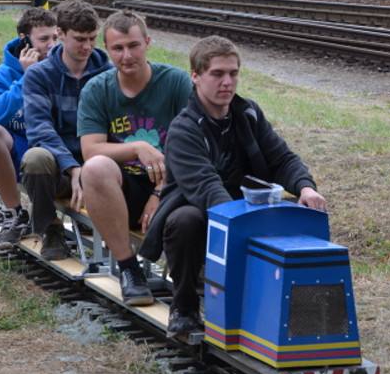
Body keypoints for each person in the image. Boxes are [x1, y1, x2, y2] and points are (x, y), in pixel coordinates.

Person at [140, 36, 327, 336]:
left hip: (245, 206)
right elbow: (207, 188)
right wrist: (245, 220)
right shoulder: (184, 129)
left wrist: (306, 188)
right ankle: (184, 306)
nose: (227, 82)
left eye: (233, 73)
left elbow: (281, 158)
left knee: (300, 213)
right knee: (185, 220)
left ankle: (293, 309)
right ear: (196, 76)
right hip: (200, 210)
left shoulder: (248, 114)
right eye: (217, 74)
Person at [78, 10, 193, 305]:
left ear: (148, 43)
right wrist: (136, 148)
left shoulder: (176, 83)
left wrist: (160, 192)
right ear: (107, 49)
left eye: (133, 46)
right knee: (95, 168)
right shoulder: (97, 89)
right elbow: (90, 149)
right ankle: (130, 270)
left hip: (173, 187)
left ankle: (195, 283)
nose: (126, 56)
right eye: (117, 48)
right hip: (124, 189)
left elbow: (193, 148)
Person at [21, 0, 112, 260]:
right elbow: (39, 129)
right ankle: (50, 228)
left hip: (99, 164)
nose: (87, 47)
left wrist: (91, 168)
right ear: (60, 34)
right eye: (80, 39)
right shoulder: (39, 75)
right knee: (35, 158)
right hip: (60, 167)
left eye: (92, 39)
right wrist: (71, 167)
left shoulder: (108, 74)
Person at [0, 7, 57, 248]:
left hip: (55, 148)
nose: (52, 45)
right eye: (44, 39)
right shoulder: (4, 73)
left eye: (55, 37)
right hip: (21, 147)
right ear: (25, 40)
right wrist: (27, 78)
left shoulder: (64, 68)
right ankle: (15, 214)